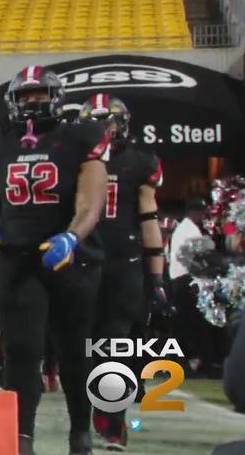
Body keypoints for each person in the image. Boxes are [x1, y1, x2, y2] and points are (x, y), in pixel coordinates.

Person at [0, 66, 111, 455]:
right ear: (12, 102)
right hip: (17, 259)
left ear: (57, 97)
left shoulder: (81, 137)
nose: (32, 103)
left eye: (40, 95)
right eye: (24, 96)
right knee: (21, 352)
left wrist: (71, 236)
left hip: (72, 259)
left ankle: (79, 432)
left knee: (74, 350)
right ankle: (21, 438)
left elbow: (91, 202)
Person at [77, 94, 166, 451]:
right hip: (83, 258)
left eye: (107, 121)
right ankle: (90, 412)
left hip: (124, 261)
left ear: (122, 124)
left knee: (116, 343)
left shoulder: (140, 162)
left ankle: (113, 418)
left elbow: (149, 219)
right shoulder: (75, 157)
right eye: (94, 121)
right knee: (82, 342)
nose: (102, 129)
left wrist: (156, 276)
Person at [170, 197, 208, 374]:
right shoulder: (191, 230)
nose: (202, 216)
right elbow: (197, 260)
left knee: (182, 324)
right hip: (187, 280)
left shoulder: (181, 228)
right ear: (195, 212)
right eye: (201, 212)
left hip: (177, 279)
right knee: (190, 324)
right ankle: (188, 362)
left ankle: (179, 362)